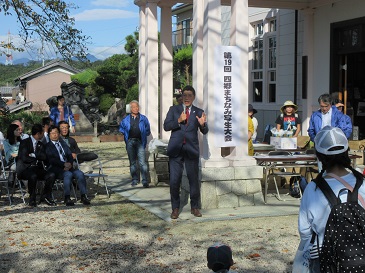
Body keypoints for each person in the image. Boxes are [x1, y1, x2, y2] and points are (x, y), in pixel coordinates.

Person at [298, 126, 365, 272]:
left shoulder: (313, 189)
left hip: (323, 257)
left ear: (319, 156)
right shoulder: (362, 183)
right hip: (360, 255)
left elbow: (304, 231)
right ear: (347, 152)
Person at [163, 85, 208, 219]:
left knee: (193, 180)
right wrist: (178, 121)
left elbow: (205, 131)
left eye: (189, 95)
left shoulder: (199, 112)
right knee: (174, 181)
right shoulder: (174, 109)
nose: (187, 98)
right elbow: (166, 126)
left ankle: (195, 207)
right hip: (176, 149)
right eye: (185, 95)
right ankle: (175, 208)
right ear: (181, 97)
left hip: (191, 150)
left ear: (193, 97)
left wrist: (202, 124)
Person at [45, 125, 90, 206]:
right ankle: (67, 197)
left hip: (68, 166)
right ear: (49, 135)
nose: (55, 134)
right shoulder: (47, 146)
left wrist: (69, 163)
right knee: (68, 174)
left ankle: (83, 196)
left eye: (56, 133)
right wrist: (63, 165)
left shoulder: (63, 143)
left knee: (80, 173)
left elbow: (69, 155)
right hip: (56, 168)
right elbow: (52, 160)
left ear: (59, 134)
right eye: (52, 133)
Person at [16, 124, 56, 207]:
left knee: (51, 175)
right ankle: (32, 198)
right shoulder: (24, 142)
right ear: (38, 133)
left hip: (37, 168)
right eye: (42, 133)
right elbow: (23, 157)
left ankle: (45, 196)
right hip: (25, 168)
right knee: (32, 176)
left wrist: (33, 155)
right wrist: (36, 158)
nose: (43, 135)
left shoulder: (40, 144)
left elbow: (44, 157)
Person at [119, 100, 151, 188]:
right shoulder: (125, 119)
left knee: (142, 162)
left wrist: (143, 134)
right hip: (130, 142)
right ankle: (134, 179)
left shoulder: (143, 118)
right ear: (130, 109)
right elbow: (121, 129)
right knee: (132, 162)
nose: (135, 108)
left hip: (140, 142)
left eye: (137, 107)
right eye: (133, 107)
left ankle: (145, 180)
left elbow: (148, 130)